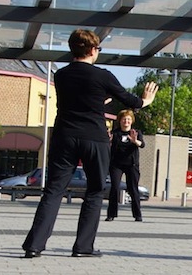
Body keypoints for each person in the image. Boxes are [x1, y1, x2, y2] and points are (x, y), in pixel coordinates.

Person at [21, 29, 157, 259]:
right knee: (94, 190)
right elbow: (130, 101)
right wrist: (146, 100)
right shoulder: (103, 75)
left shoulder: (61, 75)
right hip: (94, 138)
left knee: (53, 191)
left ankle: (34, 245)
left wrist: (96, 100)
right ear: (93, 50)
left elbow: (77, 99)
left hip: (65, 136)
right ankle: (83, 247)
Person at [106, 109, 145, 222]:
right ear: (120, 121)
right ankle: (111, 214)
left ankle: (137, 215)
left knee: (133, 189)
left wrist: (135, 141)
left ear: (131, 121)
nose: (126, 121)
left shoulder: (136, 133)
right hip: (116, 164)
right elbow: (108, 146)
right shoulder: (115, 133)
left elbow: (142, 144)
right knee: (114, 187)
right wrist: (108, 141)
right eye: (124, 119)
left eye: (128, 119)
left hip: (131, 165)